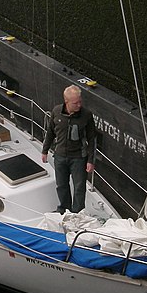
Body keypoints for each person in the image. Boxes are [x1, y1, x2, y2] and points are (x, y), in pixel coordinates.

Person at [41, 85, 97, 214]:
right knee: (61, 185)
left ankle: (78, 213)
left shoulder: (86, 115)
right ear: (66, 102)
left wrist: (90, 160)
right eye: (75, 103)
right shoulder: (56, 111)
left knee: (79, 187)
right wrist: (45, 150)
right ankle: (63, 209)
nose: (79, 105)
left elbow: (92, 139)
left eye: (80, 102)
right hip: (60, 156)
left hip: (79, 157)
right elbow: (50, 133)